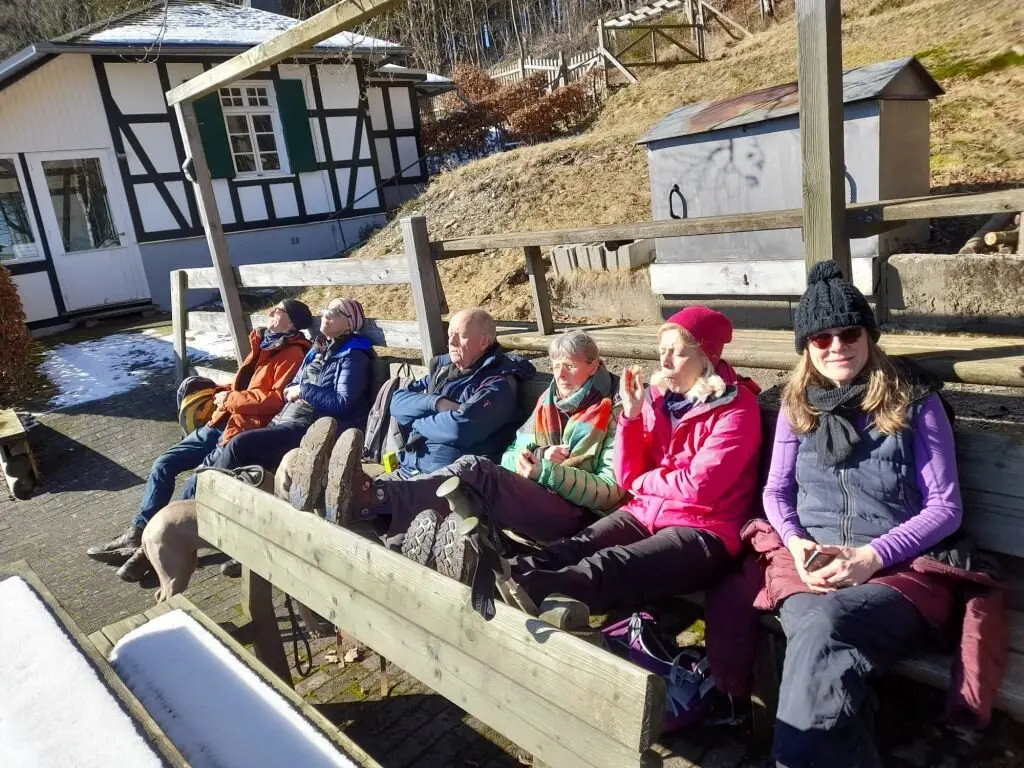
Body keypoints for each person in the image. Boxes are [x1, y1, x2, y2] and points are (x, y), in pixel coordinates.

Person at [758, 262, 1004, 767]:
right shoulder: (796, 404)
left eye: (848, 332)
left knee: (822, 630)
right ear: (806, 348)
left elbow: (945, 507)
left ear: (868, 334)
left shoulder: (914, 400)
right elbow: (777, 492)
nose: (836, 346)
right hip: (815, 566)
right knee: (819, 635)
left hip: (902, 572)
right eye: (820, 338)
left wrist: (872, 556)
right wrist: (796, 542)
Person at [504, 307, 763, 613]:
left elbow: (699, 488)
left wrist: (644, 481)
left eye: (677, 354)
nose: (664, 362)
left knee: (611, 566)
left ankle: (521, 594)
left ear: (707, 358)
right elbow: (626, 474)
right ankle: (502, 574)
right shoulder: (657, 399)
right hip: (645, 511)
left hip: (704, 530)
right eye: (662, 351)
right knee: (577, 546)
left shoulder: (736, 408)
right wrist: (631, 415)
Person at [342, 330, 625, 578]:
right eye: (554, 366)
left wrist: (547, 471)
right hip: (537, 495)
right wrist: (540, 453)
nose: (560, 375)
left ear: (593, 366)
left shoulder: (612, 411)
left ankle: (376, 497)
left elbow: (609, 491)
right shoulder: (548, 401)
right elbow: (512, 454)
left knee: (476, 471)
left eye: (569, 366)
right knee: (469, 486)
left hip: (577, 517)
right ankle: (393, 533)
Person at [127, 298, 374, 582]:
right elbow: (266, 388)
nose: (326, 317)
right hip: (284, 418)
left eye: (335, 313)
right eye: (326, 312)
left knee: (239, 448)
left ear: (350, 322)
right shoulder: (319, 348)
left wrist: (302, 390)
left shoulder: (352, 355)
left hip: (313, 427)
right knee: (196, 461)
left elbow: (341, 402)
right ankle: (162, 533)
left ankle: (181, 533)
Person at [86, 299, 312, 568]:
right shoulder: (263, 342)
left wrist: (230, 399)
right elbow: (246, 384)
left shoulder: (293, 354)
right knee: (164, 464)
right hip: (219, 421)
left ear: (292, 323)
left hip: (241, 427)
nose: (272, 312)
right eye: (274, 308)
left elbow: (275, 399)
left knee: (196, 481)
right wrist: (218, 391)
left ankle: (158, 546)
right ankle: (138, 532)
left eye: (280, 311)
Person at [291, 307, 536, 526]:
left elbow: (459, 429)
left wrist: (417, 419)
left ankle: (343, 496)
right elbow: (396, 401)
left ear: (484, 341)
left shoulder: (498, 383)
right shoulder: (444, 371)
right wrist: (437, 402)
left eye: (459, 335)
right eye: (449, 333)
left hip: (449, 480)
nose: (450, 341)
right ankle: (326, 493)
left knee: (374, 515)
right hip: (408, 465)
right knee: (347, 511)